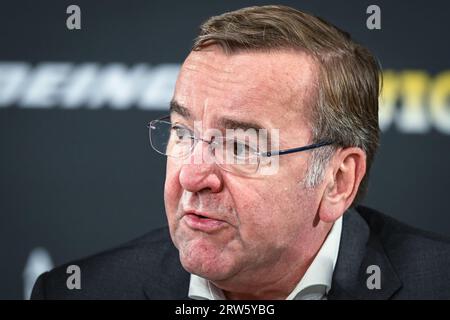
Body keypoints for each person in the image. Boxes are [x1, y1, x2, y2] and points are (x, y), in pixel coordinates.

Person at [31, 5, 450, 300]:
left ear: (337, 181)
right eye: (182, 132)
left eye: (239, 147)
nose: (192, 178)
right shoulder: (82, 290)